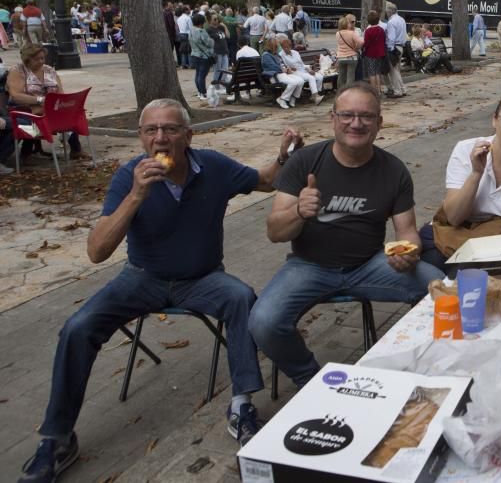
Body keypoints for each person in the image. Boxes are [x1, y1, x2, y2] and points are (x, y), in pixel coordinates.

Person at [16, 99, 303, 482]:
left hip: (203, 278)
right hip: (141, 278)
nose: (160, 138)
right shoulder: (127, 178)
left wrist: (283, 157)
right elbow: (97, 252)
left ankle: (241, 406)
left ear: (188, 135)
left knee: (241, 297)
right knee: (77, 327)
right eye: (151, 130)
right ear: (140, 138)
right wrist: (137, 196)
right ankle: (57, 437)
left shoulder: (213, 167)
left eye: (170, 129)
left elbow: (265, 180)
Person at [249, 82, 444, 389]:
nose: (356, 123)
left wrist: (410, 252)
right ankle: (312, 381)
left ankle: (423, 369)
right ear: (333, 119)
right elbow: (275, 232)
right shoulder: (304, 162)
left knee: (442, 291)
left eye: (366, 116)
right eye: (348, 115)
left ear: (379, 122)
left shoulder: (393, 170)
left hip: (369, 264)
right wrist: (299, 211)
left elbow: (406, 232)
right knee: (263, 321)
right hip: (308, 266)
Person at [419, 91, 501, 269]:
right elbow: (454, 217)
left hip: (495, 244)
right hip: (451, 234)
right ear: (494, 119)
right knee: (431, 271)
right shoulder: (466, 150)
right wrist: (476, 173)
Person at [6, 44, 89, 160]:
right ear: (27, 60)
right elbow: (16, 96)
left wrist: (57, 103)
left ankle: (76, 149)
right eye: (36, 59)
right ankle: (27, 150)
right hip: (25, 109)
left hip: (49, 110)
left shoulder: (49, 70)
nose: (41, 61)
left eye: (42, 58)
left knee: (69, 114)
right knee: (32, 122)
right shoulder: (18, 71)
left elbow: (60, 92)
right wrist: (40, 100)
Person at [278, 35, 324, 106]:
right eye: (284, 47)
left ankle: (313, 95)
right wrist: (290, 68)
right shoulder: (281, 55)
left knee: (320, 77)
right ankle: (316, 96)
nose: (286, 49)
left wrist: (308, 69)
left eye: (288, 47)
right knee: (311, 78)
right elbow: (284, 66)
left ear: (291, 46)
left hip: (303, 70)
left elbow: (302, 64)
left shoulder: (295, 52)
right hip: (294, 72)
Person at [262, 37, 305, 109]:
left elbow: (282, 64)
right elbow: (272, 67)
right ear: (271, 46)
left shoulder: (275, 54)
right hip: (275, 75)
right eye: (276, 46)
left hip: (283, 74)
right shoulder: (266, 55)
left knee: (301, 81)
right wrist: (283, 70)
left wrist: (287, 68)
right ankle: (282, 99)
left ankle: (293, 97)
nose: (277, 48)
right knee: (293, 83)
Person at [383, 1, 408, 98]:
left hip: (394, 48)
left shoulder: (391, 22)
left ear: (389, 11)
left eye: (386, 11)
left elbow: (391, 38)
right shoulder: (401, 19)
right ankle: (402, 89)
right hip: (401, 46)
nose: (386, 13)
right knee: (397, 70)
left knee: (393, 71)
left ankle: (398, 91)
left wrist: (389, 49)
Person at [189, 13, 214, 101]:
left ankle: (200, 92)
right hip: (204, 56)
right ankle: (204, 93)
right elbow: (208, 43)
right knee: (202, 75)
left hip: (194, 54)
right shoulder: (201, 31)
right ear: (201, 22)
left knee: (198, 74)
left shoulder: (191, 30)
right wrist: (212, 40)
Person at [334, 14, 363, 89]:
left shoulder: (338, 33)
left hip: (341, 57)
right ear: (347, 24)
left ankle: (340, 91)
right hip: (352, 57)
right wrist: (356, 48)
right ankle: (348, 92)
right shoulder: (352, 33)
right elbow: (361, 42)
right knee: (350, 76)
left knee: (341, 76)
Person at [361, 10, 387, 95]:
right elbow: (384, 41)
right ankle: (379, 90)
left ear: (368, 20)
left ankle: (374, 91)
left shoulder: (368, 31)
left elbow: (366, 43)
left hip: (370, 54)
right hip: (380, 53)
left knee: (371, 73)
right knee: (377, 72)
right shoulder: (381, 30)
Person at [207, 13, 230, 87]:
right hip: (217, 52)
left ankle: (223, 84)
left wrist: (225, 26)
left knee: (225, 69)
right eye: (215, 19)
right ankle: (216, 86)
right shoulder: (209, 30)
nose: (217, 21)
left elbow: (228, 36)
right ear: (210, 21)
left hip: (225, 51)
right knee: (218, 69)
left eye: (217, 19)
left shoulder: (220, 27)